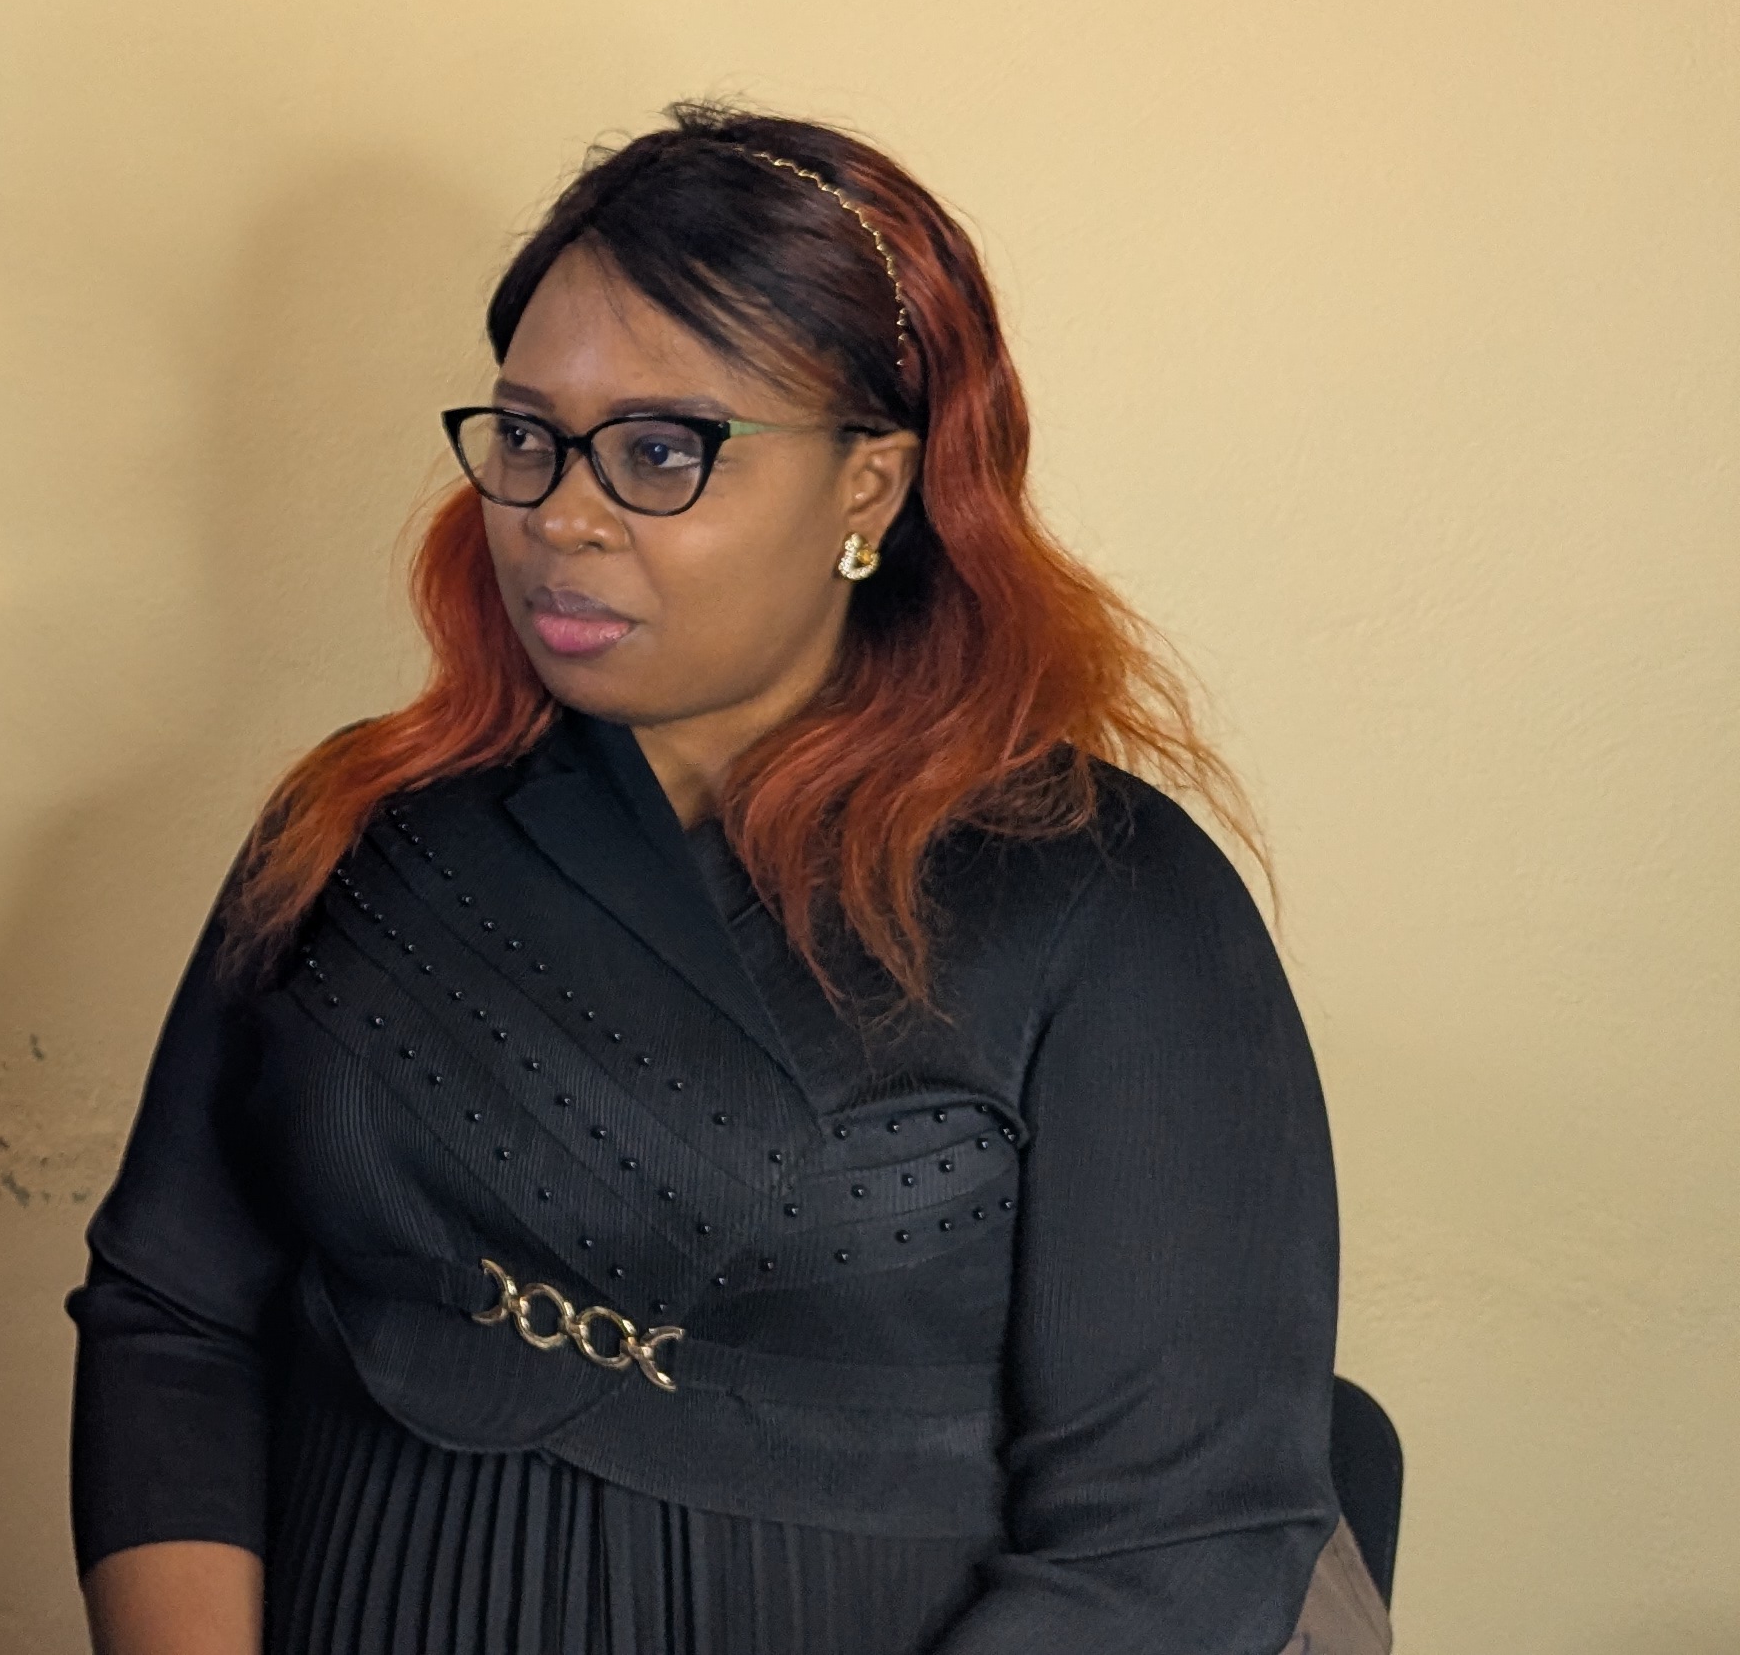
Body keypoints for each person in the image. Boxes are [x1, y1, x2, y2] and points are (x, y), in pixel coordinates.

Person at [70, 109, 1343, 1654]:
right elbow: (172, 1320)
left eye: (663, 451)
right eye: (526, 438)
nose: (561, 516)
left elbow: (1178, 1544)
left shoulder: (1112, 906)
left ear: (871, 484)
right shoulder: (357, 825)